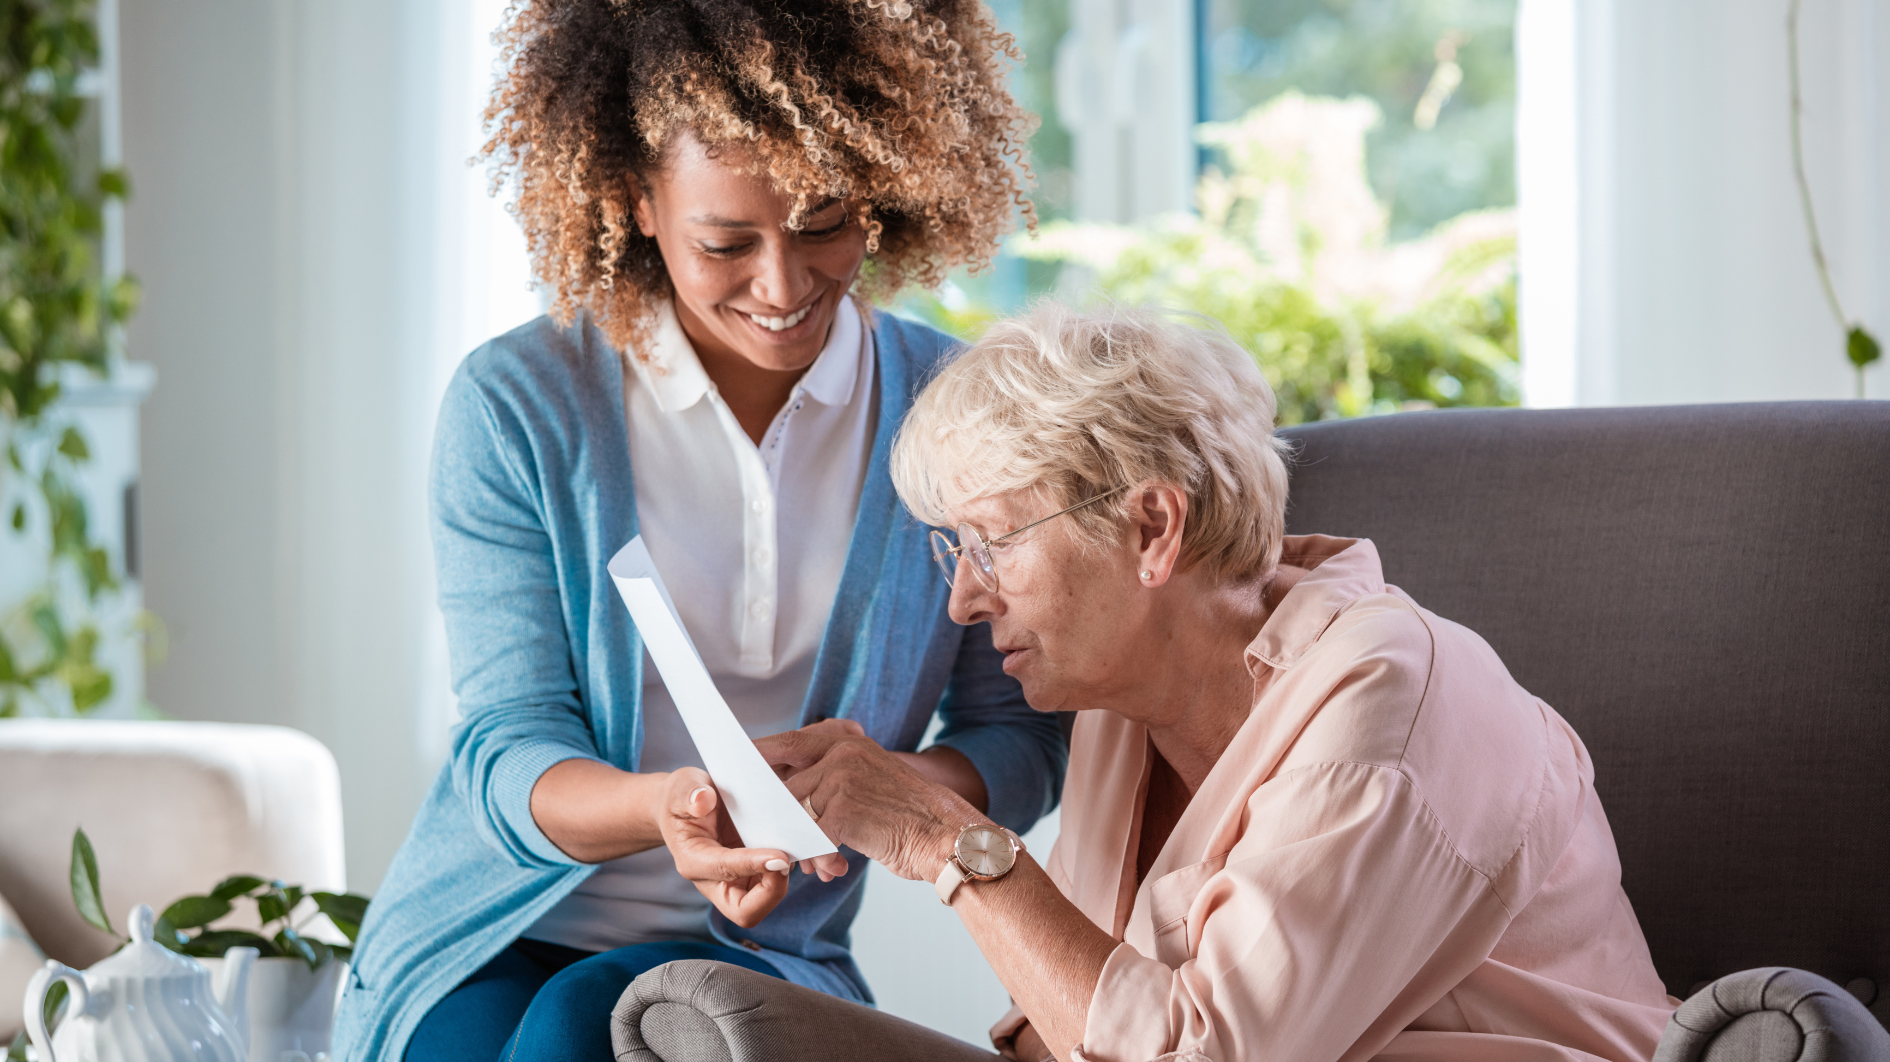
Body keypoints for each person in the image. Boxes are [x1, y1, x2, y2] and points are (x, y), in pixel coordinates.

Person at [333, 3, 1065, 1060]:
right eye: (726, 242)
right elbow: (504, 744)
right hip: (494, 932)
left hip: (759, 950)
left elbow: (1021, 735)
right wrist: (668, 807)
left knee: (587, 1029)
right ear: (635, 201)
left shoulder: (952, 413)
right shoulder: (519, 407)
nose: (784, 286)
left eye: (825, 224)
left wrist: (886, 794)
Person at [761, 302, 1681, 1062]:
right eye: (956, 550)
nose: (963, 599)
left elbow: (1199, 1057)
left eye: (995, 542)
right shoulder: (1122, 709)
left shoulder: (1388, 700)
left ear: (1153, 526)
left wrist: (948, 842)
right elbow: (1073, 1029)